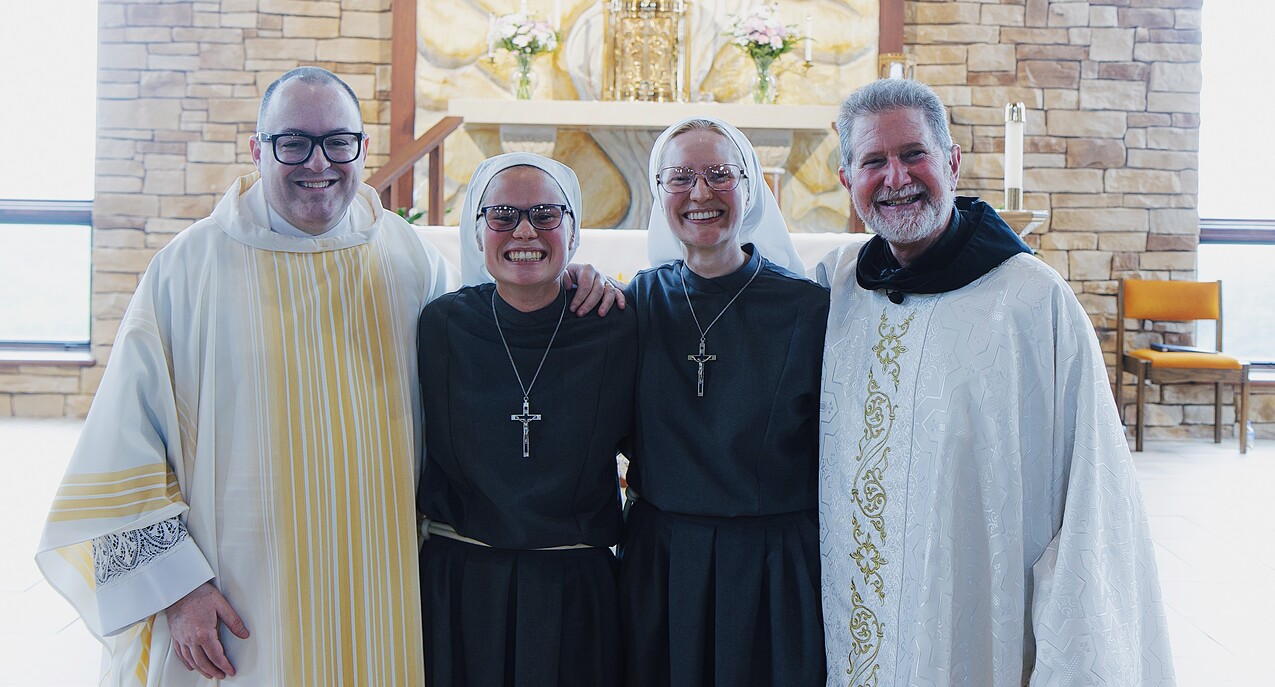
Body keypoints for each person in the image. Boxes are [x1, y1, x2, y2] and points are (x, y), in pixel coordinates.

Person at [34, 67, 617, 686]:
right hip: (242, 599)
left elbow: (496, 346)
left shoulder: (406, 258)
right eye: (294, 142)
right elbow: (123, 448)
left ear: (362, 149)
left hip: (379, 591)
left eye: (339, 141)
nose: (319, 162)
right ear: (258, 150)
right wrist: (178, 591)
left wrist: (575, 280)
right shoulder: (188, 271)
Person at [816, 78, 1175, 685]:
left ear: (953, 162)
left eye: (914, 154)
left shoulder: (1033, 302)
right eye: (874, 161)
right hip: (853, 614)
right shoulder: (838, 285)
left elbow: (1092, 495)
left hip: (972, 619)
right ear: (848, 179)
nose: (896, 178)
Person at [619, 116, 829, 686]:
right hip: (663, 563)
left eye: (719, 175)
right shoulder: (635, 302)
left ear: (751, 186)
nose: (701, 193)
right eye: (681, 177)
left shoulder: (809, 310)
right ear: (659, 192)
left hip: (771, 567)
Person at [416, 152, 635, 686]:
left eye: (545, 215)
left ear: (574, 230)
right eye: (503, 215)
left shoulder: (616, 324)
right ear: (477, 230)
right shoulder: (439, 324)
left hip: (575, 591)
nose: (524, 231)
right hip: (459, 587)